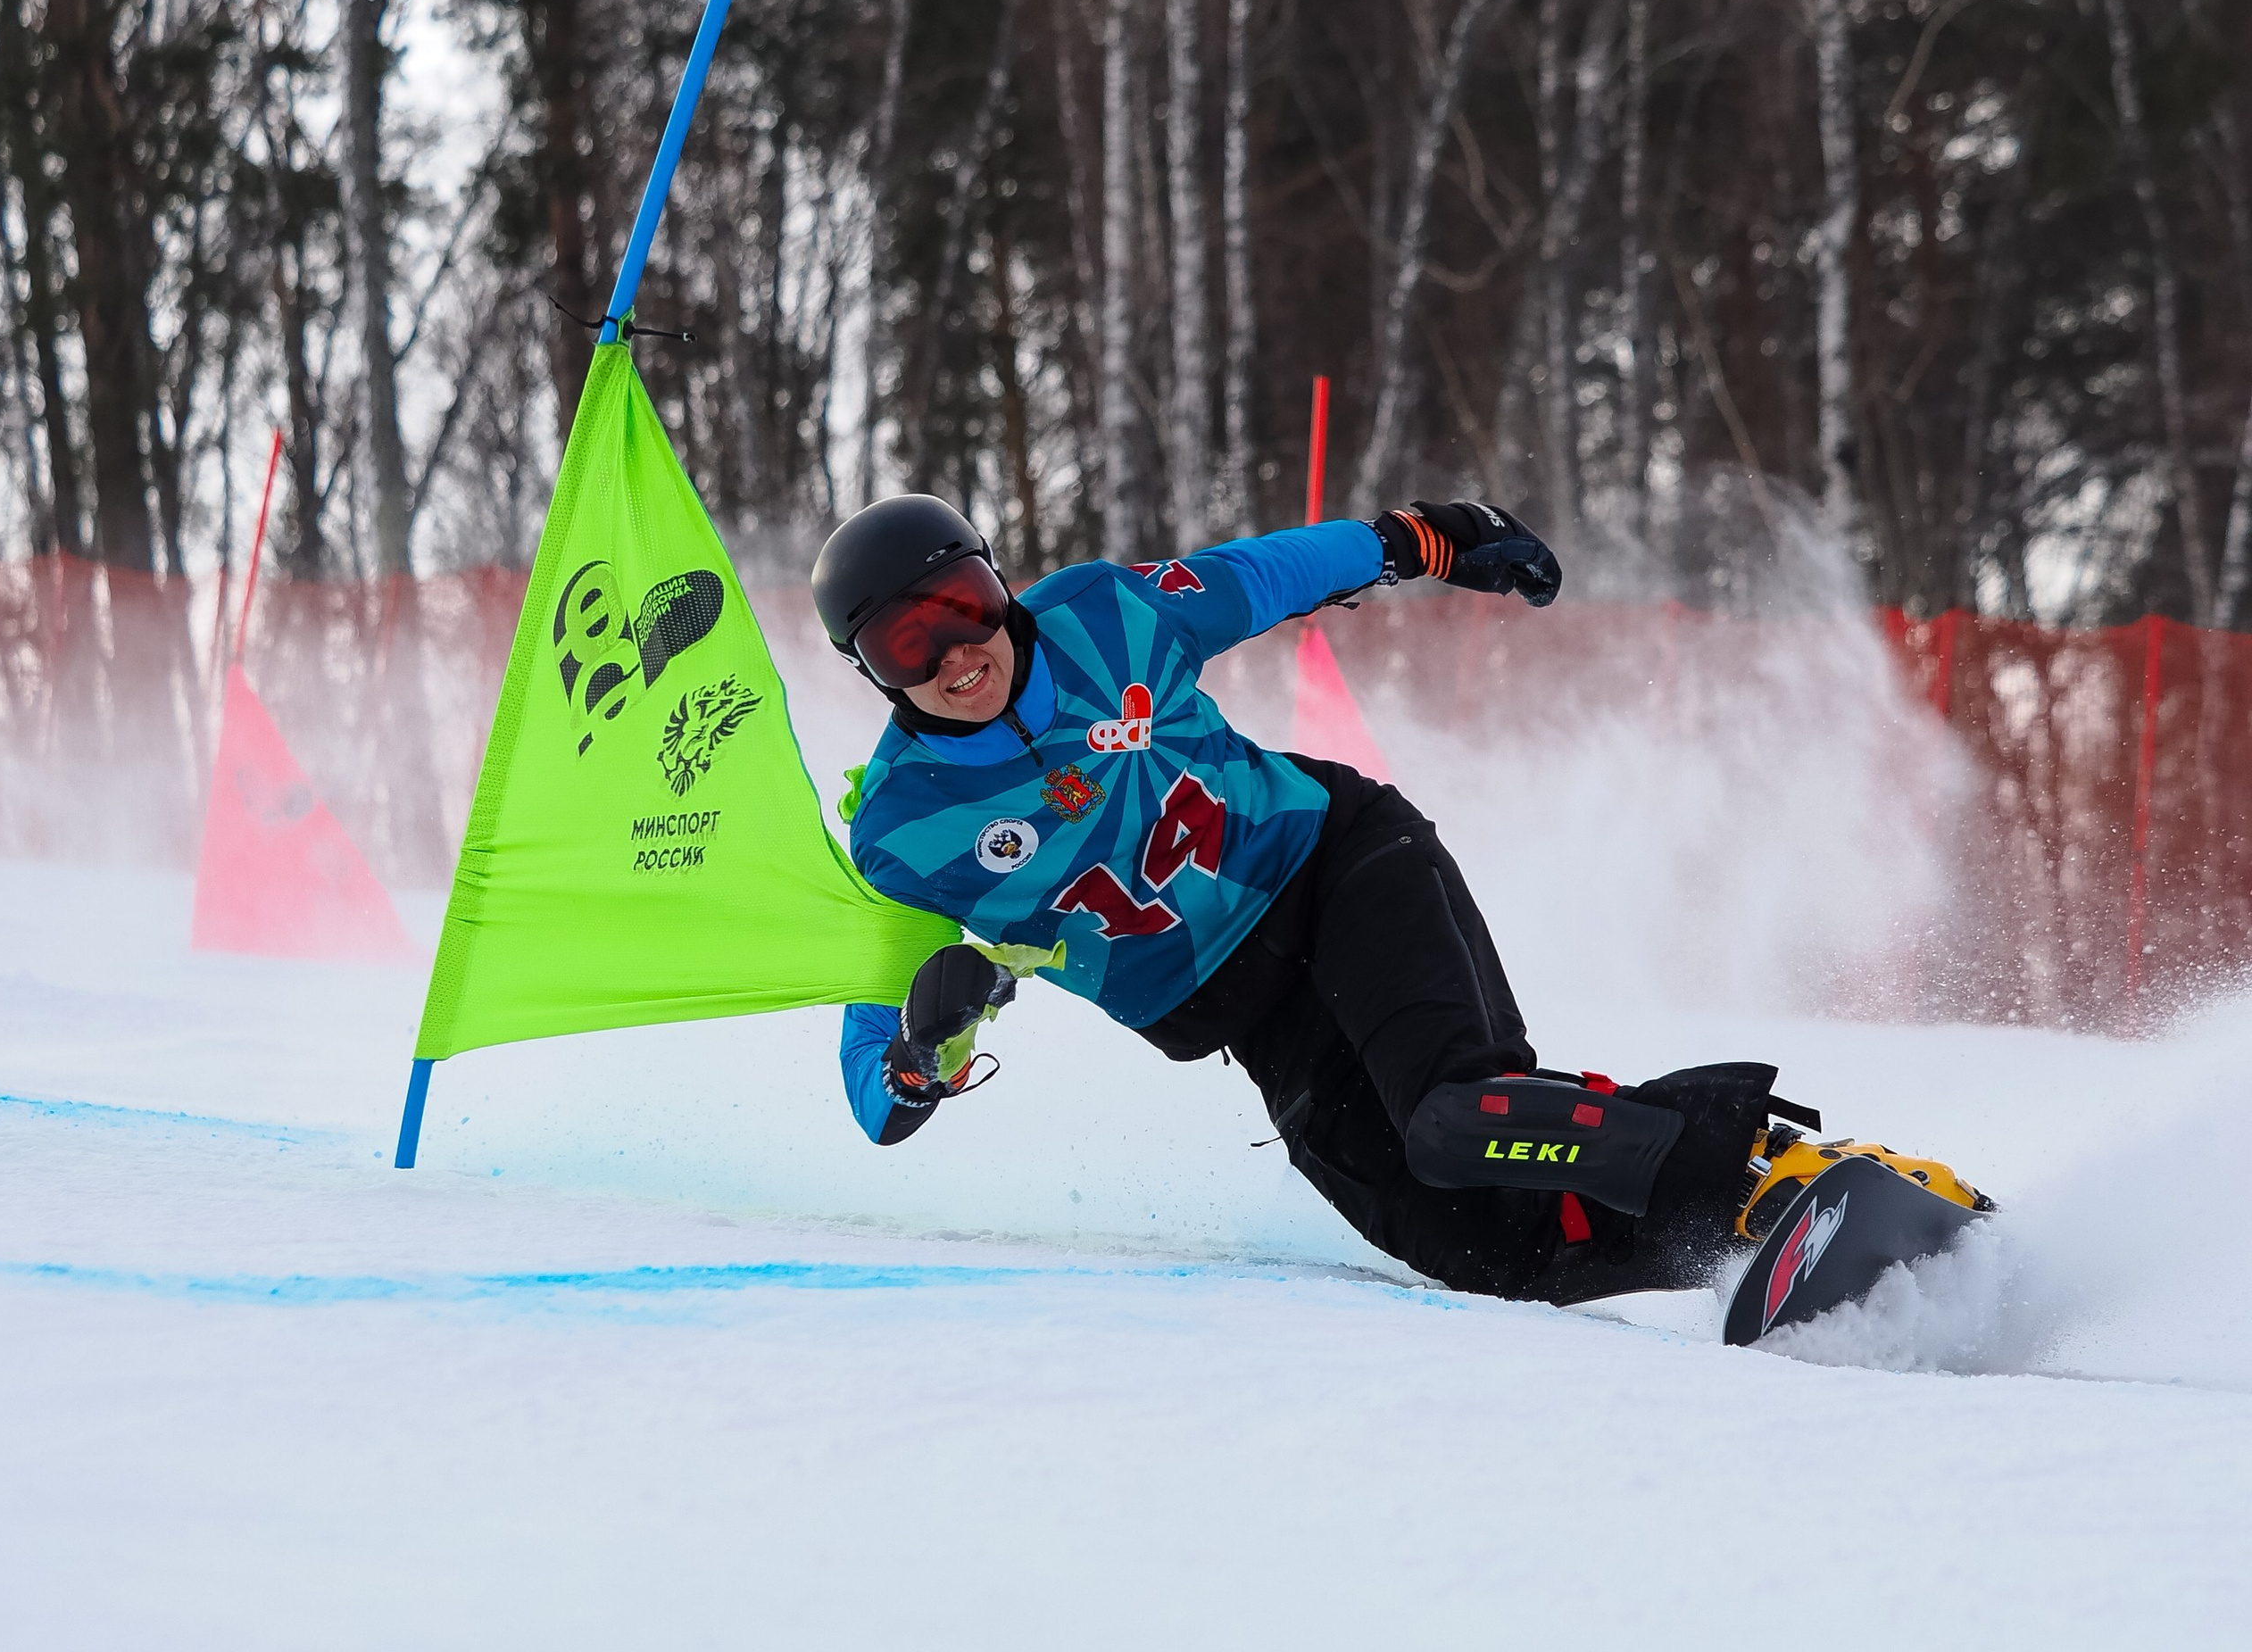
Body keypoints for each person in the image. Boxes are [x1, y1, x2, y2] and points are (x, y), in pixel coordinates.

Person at [812, 493, 1972, 1307]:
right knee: (1478, 1245)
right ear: (872, 674)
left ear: (998, 583)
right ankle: (1733, 1235)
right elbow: (884, 1095)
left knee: (1457, 1116)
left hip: (1341, 866)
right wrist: (932, 1037)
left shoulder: (1104, 615)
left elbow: (1263, 576)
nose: (957, 653)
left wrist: (1422, 538)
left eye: (963, 604)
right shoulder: (904, 832)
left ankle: (1775, 1177)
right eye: (909, 643)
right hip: (1255, 1015)